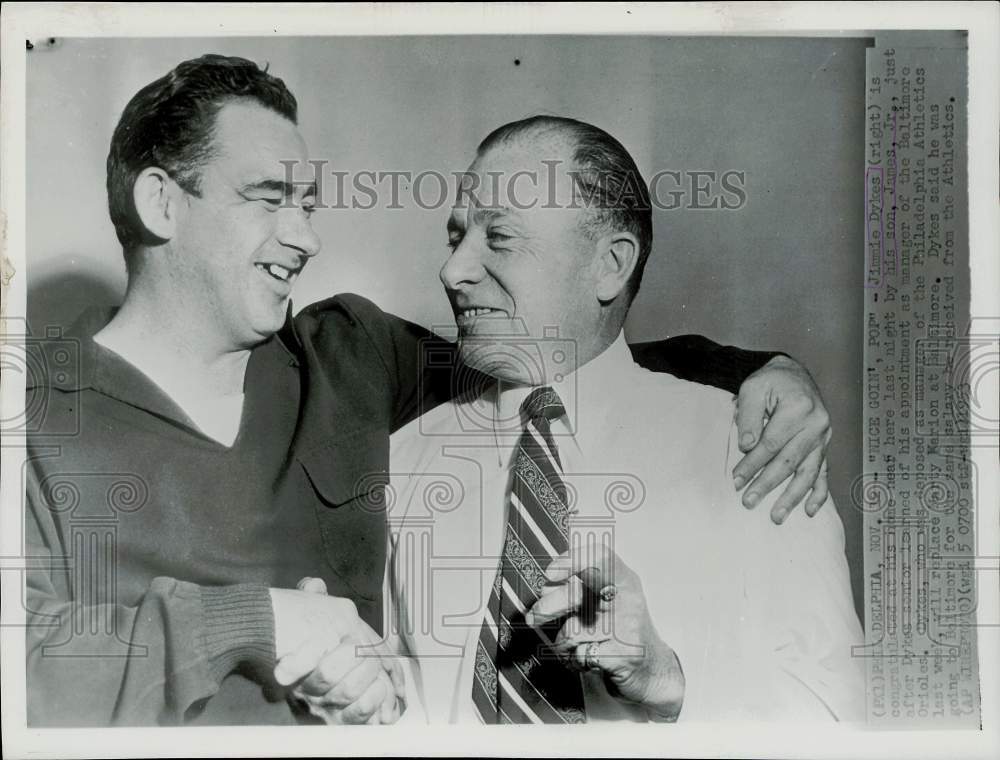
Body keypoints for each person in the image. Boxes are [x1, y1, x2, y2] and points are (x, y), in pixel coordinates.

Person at [25, 55, 833, 727]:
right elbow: (20, 671)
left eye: (309, 204)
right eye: (273, 199)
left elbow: (561, 360)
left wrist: (761, 369)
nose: (308, 238)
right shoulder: (29, 426)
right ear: (163, 202)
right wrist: (268, 624)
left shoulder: (352, 360)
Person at [387, 115, 864, 723]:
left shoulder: (752, 449)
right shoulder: (406, 462)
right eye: (456, 238)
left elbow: (837, 712)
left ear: (611, 265)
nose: (453, 272)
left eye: (499, 239)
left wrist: (666, 680)